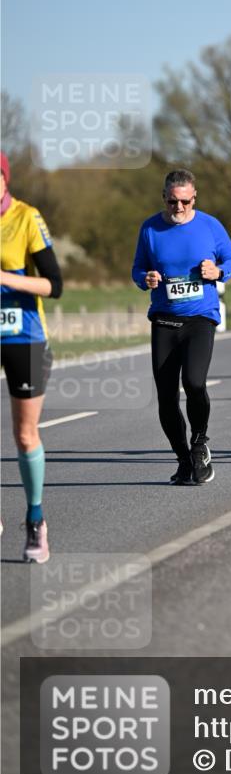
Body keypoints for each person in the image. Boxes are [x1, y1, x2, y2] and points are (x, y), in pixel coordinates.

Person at [132, 169, 231, 483]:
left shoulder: (210, 225)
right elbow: (138, 268)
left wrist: (217, 271)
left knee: (194, 383)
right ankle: (183, 459)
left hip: (200, 318)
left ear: (194, 198)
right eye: (172, 201)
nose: (178, 208)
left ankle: (199, 441)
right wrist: (145, 279)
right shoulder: (150, 229)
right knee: (166, 397)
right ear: (163, 198)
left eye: (184, 202)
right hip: (165, 320)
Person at [0, 152, 63, 562]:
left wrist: (4, 277)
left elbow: (54, 285)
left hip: (23, 336)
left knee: (24, 435)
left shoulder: (26, 217)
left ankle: (35, 520)